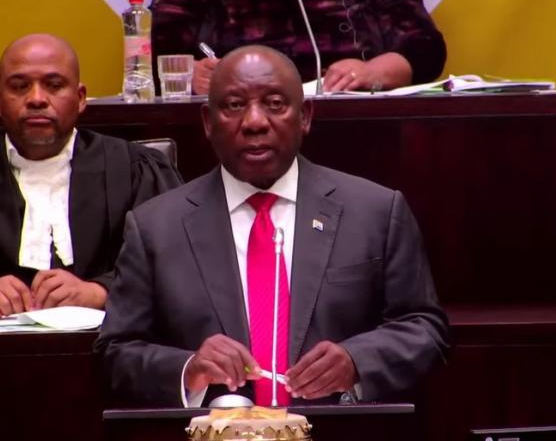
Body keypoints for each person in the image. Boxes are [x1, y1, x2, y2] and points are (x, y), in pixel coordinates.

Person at [95, 45, 448, 407]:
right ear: (207, 122)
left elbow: (423, 327)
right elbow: (117, 350)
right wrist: (188, 370)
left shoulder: (375, 212)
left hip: (335, 430)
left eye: (275, 104)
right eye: (234, 105)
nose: (254, 122)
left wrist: (357, 362)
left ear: (305, 116)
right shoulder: (155, 227)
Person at [0, 33, 182, 315]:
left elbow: (177, 262)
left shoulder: (135, 169)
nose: (36, 99)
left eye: (54, 85)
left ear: (81, 98)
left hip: (110, 340)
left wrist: (101, 291)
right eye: (20, 86)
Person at [151, 0, 447, 94]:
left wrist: (373, 72)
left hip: (347, 123)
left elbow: (426, 48)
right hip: (238, 128)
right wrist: (189, 76)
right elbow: (152, 56)